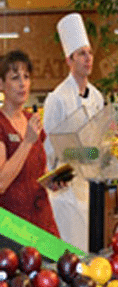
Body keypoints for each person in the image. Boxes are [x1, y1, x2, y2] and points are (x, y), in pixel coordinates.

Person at [43, 13, 105, 251]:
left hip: (92, 189)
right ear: (69, 60)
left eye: (89, 53)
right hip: (65, 194)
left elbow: (98, 145)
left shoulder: (97, 97)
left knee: (92, 250)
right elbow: (49, 150)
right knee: (68, 254)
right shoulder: (56, 99)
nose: (88, 59)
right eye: (81, 54)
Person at [0, 50, 60, 237]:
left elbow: (36, 172)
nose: (22, 84)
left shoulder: (32, 120)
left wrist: (52, 181)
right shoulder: (2, 124)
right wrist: (26, 142)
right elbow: (1, 183)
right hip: (13, 227)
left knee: (60, 264)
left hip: (43, 219)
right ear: (1, 84)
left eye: (26, 77)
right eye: (15, 77)